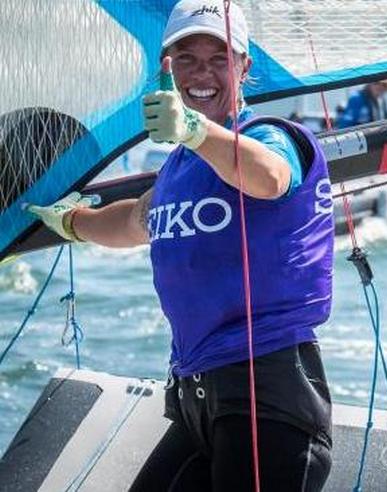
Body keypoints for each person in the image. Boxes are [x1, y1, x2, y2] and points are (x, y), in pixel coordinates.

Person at [27, 1, 334, 490]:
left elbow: (271, 178)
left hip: (267, 401)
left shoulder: (270, 138)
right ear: (164, 67)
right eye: (185, 58)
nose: (202, 73)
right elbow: (132, 220)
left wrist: (194, 129)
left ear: (244, 67)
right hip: (197, 397)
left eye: (219, 58)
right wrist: (71, 222)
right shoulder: (179, 170)